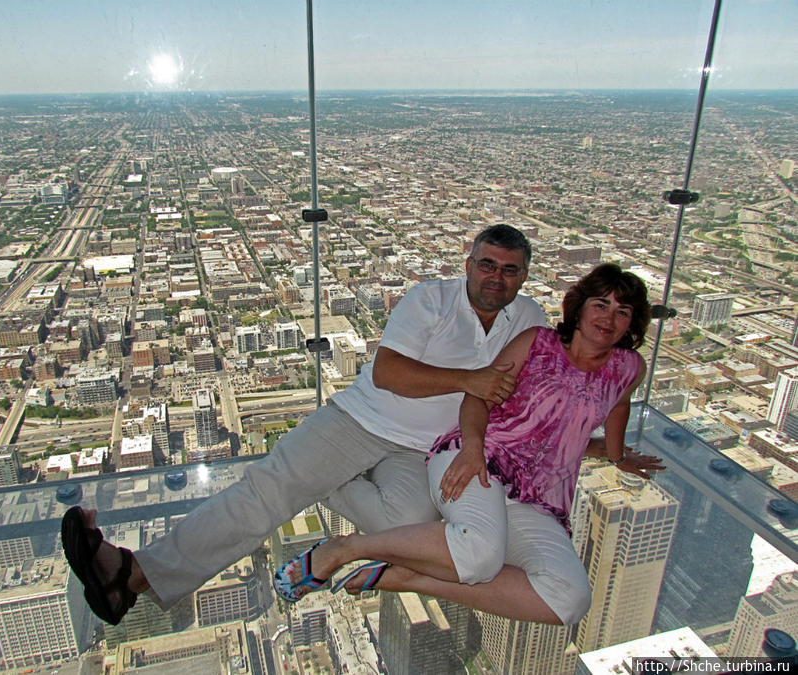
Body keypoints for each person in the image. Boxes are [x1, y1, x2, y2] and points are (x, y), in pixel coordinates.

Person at [62, 226, 659, 625]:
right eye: (487, 265)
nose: (496, 277)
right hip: (362, 420)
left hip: (425, 452)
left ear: (525, 279)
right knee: (266, 495)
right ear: (468, 264)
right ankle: (134, 574)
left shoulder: (528, 321)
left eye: (510, 270)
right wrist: (469, 382)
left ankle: (326, 485)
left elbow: (591, 389)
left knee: (411, 528)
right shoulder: (430, 300)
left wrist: (615, 450)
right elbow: (390, 371)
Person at [274, 263, 652, 626]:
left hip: (540, 495)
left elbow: (618, 404)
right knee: (479, 554)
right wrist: (473, 450)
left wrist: (617, 456)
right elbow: (478, 395)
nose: (608, 318)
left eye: (622, 311)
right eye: (600, 304)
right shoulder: (538, 343)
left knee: (569, 598)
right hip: (481, 458)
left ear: (632, 322)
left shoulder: (630, 367)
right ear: (580, 307)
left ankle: (406, 577)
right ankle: (346, 549)